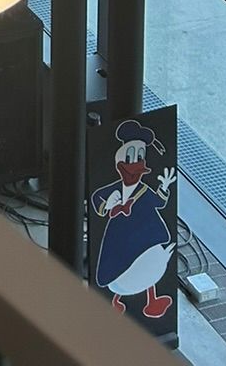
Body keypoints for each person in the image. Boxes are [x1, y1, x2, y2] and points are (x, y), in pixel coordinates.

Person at [89, 118, 176, 319]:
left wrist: (164, 187)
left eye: (140, 158)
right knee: (120, 266)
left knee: (149, 263)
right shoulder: (112, 190)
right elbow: (98, 201)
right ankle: (115, 301)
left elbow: (159, 202)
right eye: (130, 157)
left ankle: (151, 300)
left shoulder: (144, 190)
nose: (135, 164)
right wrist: (110, 205)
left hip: (146, 239)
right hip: (121, 238)